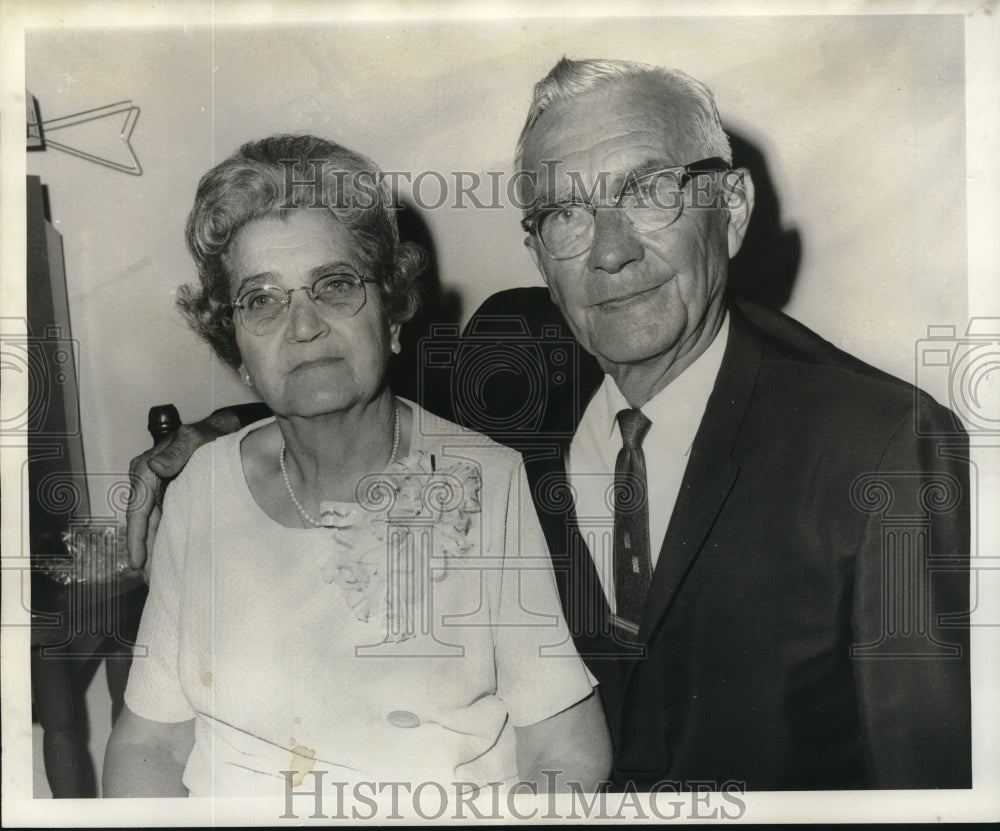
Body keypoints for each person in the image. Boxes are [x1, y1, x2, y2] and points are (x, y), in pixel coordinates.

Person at [126, 61, 972, 791]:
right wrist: (210, 431)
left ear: (733, 208)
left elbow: (928, 782)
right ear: (537, 251)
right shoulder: (523, 378)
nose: (609, 251)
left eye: (644, 191)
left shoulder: (879, 443)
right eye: (565, 212)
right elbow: (338, 383)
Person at [104, 134, 611, 798]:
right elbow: (149, 742)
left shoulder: (487, 482)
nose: (303, 325)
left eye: (335, 285)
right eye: (262, 299)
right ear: (237, 350)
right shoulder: (199, 489)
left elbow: (566, 747)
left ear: (394, 309)